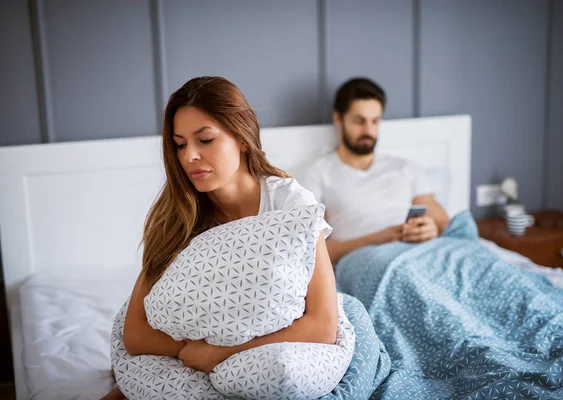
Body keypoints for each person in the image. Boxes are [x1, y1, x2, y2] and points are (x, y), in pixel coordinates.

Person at [101, 77, 338, 400]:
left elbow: (323, 325)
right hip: (189, 340)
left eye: (205, 140)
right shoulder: (178, 216)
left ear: (242, 138)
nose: (190, 157)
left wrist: (221, 351)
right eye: (180, 144)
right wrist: (195, 350)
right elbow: (136, 334)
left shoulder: (290, 204)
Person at [301, 78, 450, 265]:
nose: (368, 131)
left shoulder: (406, 168)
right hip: (366, 261)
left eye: (375, 121)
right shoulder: (319, 173)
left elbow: (444, 223)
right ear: (338, 118)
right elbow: (311, 249)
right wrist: (381, 238)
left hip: (420, 253)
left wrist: (432, 229)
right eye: (359, 121)